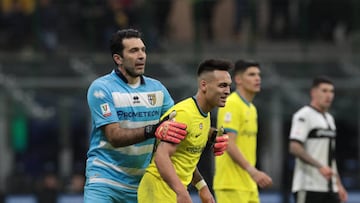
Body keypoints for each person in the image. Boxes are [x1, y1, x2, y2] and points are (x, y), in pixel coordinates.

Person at [84, 28, 188, 203]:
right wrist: (154, 130)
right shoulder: (101, 88)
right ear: (118, 59)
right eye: (133, 51)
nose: (141, 55)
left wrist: (210, 134)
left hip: (142, 184)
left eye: (143, 50)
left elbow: (180, 128)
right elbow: (114, 137)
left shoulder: (158, 89)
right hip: (104, 180)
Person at [138, 59, 232, 203]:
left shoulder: (204, 116)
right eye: (222, 86)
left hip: (171, 190)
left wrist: (202, 187)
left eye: (228, 86)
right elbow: (161, 157)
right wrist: (182, 193)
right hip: (158, 189)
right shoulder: (185, 114)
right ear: (204, 85)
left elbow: (184, 159)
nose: (227, 91)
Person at [213, 59, 273, 203]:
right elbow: (229, 143)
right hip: (231, 185)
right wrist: (253, 171)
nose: (257, 78)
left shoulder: (252, 109)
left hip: (249, 185)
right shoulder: (231, 104)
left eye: (258, 75)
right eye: (251, 74)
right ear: (238, 79)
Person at [289, 76, 348, 203]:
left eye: (331, 91)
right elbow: (294, 147)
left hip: (330, 187)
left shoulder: (330, 119)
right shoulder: (303, 115)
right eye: (324, 91)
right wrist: (320, 166)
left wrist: (338, 184)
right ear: (313, 93)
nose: (329, 95)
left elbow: (331, 156)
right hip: (308, 186)